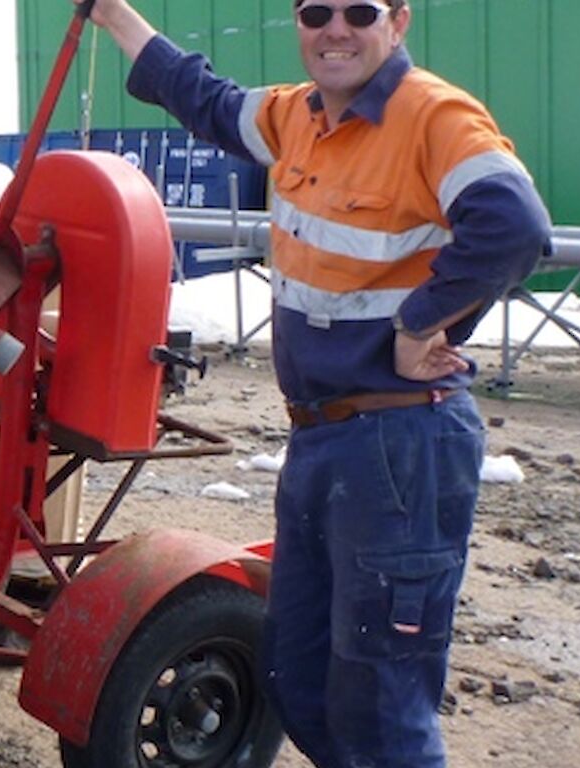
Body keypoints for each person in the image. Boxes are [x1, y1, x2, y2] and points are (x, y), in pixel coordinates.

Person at [76, 0, 550, 765]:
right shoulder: (296, 116)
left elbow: (516, 223)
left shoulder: (431, 116)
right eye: (316, 11)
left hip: (399, 447)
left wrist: (422, 323)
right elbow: (204, 97)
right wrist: (115, 16)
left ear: (397, 21)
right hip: (322, 442)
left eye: (358, 11)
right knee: (298, 675)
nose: (335, 28)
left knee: (381, 708)